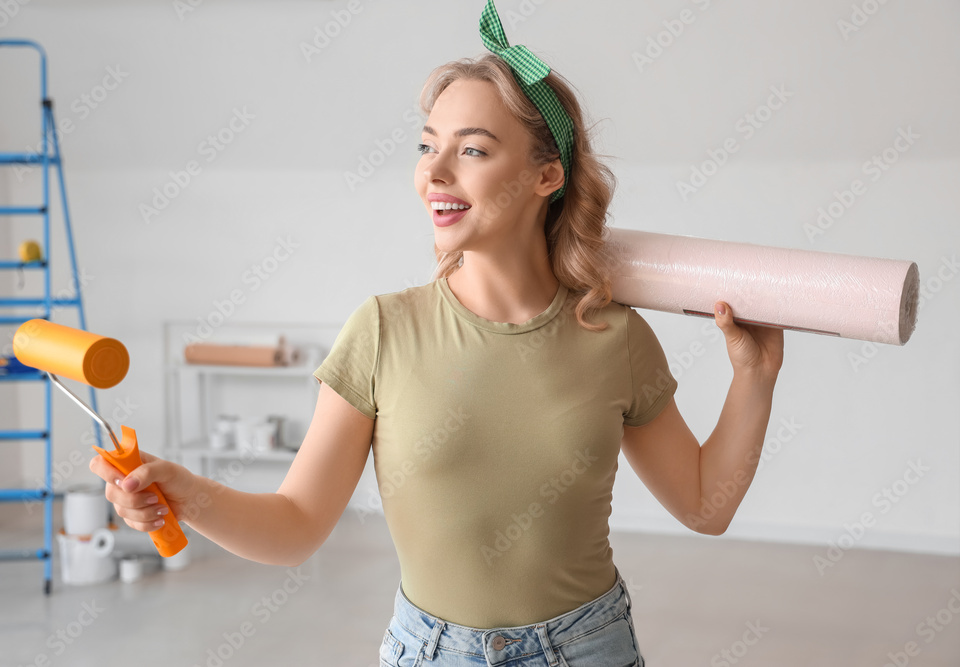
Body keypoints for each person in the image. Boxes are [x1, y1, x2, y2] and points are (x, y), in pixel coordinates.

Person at [89, 2, 783, 665]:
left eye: (472, 150)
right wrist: (183, 491)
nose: (434, 172)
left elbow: (703, 504)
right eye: (428, 146)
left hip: (588, 648)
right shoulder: (384, 330)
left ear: (547, 175)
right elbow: (295, 525)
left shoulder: (612, 334)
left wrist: (754, 376)